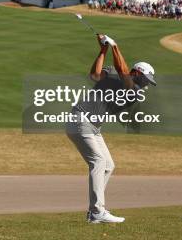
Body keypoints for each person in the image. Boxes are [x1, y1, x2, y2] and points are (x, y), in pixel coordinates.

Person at [66, 34, 157, 224]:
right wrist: (104, 49)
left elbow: (122, 70)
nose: (147, 84)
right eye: (147, 79)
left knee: (108, 165)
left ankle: (95, 211)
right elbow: (95, 74)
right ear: (138, 73)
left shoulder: (134, 91)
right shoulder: (124, 79)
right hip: (81, 119)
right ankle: (97, 210)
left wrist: (114, 45)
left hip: (92, 126)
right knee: (98, 162)